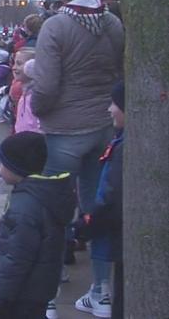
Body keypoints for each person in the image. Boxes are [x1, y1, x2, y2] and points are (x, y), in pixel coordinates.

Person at [31, 0, 124, 315]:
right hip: (102, 127)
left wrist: (39, 110)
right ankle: (100, 292)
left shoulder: (56, 27)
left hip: (63, 131)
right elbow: (117, 71)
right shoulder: (113, 23)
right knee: (96, 210)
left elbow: (47, 85)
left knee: (54, 213)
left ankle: (50, 296)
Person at [0, 132, 74, 319]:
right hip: (40, 289)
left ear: (15, 168)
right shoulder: (44, 197)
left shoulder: (23, 208)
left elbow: (16, 257)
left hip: (22, 294)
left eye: (3, 162)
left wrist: (3, 297)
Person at [72, 82, 125, 319]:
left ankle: (101, 292)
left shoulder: (121, 149)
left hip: (109, 223)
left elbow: (110, 196)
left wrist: (87, 224)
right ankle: (100, 291)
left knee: (102, 237)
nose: (110, 109)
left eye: (115, 104)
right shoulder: (119, 141)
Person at [14, 60, 42, 134]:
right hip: (23, 133)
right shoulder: (26, 91)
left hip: (31, 136)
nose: (14, 67)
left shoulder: (34, 95)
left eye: (19, 63)